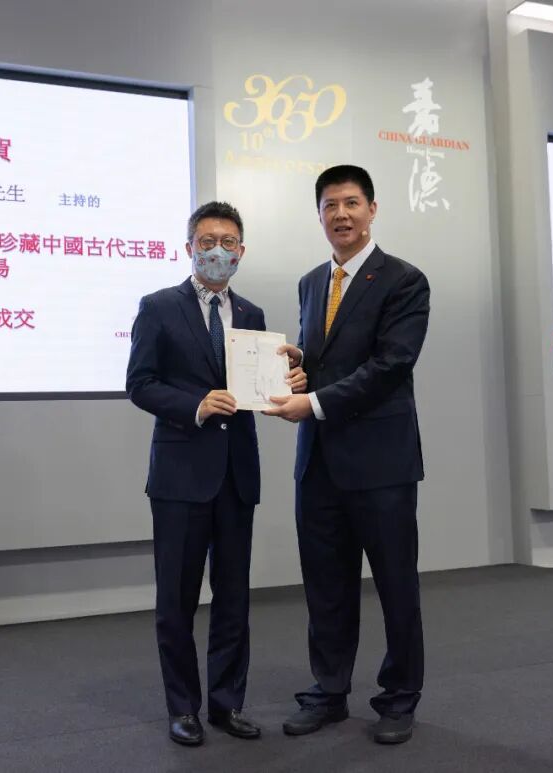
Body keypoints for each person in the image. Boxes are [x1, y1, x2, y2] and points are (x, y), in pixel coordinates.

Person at [126, 201, 307, 746]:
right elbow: (140, 383)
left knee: (233, 598)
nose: (217, 251)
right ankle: (183, 707)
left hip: (236, 475)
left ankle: (227, 704)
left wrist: (290, 379)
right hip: (180, 475)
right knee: (176, 599)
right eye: (207, 241)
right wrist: (195, 406)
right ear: (189, 247)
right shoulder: (159, 307)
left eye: (228, 242)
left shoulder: (251, 314)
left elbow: (259, 388)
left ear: (241, 251)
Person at [265, 165, 430, 745]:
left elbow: (390, 366)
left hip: (381, 463)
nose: (341, 214)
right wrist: (298, 368)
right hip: (319, 464)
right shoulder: (312, 282)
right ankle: (329, 690)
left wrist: (311, 402)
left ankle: (399, 698)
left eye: (352, 203)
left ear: (372, 209)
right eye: (330, 205)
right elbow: (328, 361)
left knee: (395, 586)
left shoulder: (405, 280)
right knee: (326, 587)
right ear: (319, 215)